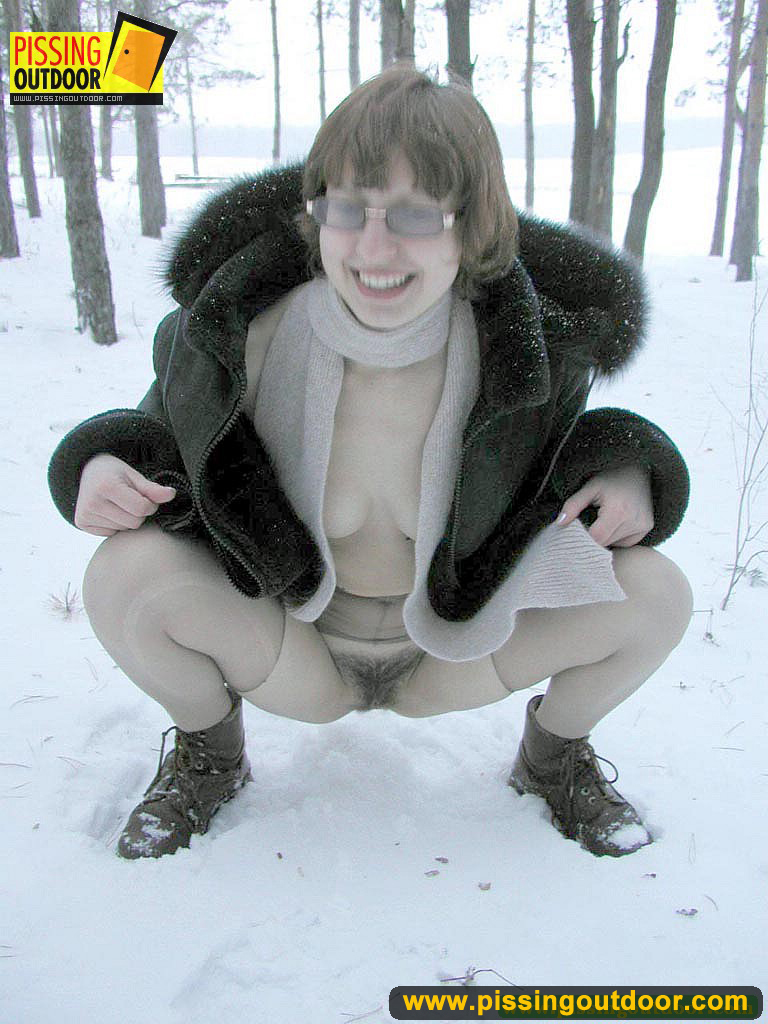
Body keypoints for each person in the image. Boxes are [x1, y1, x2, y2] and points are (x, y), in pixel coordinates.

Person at [48, 65, 692, 862]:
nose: (374, 247)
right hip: (293, 645)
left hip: (455, 650)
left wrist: (629, 473)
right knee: (124, 575)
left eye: (416, 215)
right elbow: (160, 433)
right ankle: (210, 754)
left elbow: (571, 446)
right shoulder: (240, 331)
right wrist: (102, 465)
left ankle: (552, 757)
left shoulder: (531, 347)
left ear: (474, 227)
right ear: (313, 213)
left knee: (658, 596)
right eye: (348, 209)